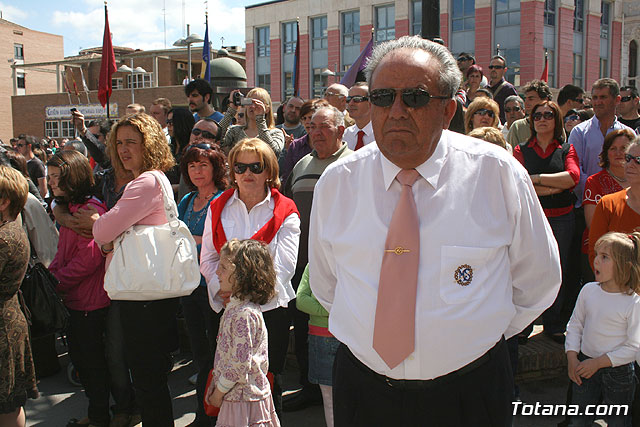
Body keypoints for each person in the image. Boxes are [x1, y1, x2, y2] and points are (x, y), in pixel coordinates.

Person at [309, 35, 561, 426]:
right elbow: (328, 286)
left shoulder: (497, 174)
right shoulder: (337, 183)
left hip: (469, 392)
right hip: (363, 390)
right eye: (381, 97)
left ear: (447, 111)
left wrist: (470, 340)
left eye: (413, 97)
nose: (395, 111)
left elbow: (538, 281)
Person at [200, 138, 300, 415]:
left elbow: (285, 266)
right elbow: (208, 258)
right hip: (226, 308)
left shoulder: (286, 210)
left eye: (255, 167)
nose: (247, 174)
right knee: (224, 377)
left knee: (267, 381)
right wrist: (217, 288)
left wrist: (243, 295)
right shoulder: (218, 205)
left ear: (269, 171)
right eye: (240, 167)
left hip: (269, 310)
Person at [92, 113, 178, 426]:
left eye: (132, 142)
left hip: (143, 295)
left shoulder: (145, 182)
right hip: (149, 291)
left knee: (148, 381)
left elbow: (102, 230)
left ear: (150, 144)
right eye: (119, 142)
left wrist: (101, 232)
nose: (124, 149)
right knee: (151, 380)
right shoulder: (155, 179)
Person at [282, 106, 353, 412]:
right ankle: (311, 389)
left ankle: (348, 389)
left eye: (324, 127)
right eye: (312, 127)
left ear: (340, 129)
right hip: (302, 265)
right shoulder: (300, 165)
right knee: (304, 330)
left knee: (345, 329)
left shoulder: (354, 165)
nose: (316, 133)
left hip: (342, 265)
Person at [46, 151, 111, 427]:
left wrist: (57, 281)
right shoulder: (69, 208)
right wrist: (52, 277)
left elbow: (89, 259)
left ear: (73, 177)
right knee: (84, 364)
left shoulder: (89, 210)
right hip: (73, 299)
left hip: (89, 303)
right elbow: (63, 253)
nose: (50, 183)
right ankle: (96, 413)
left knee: (93, 365)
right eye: (49, 178)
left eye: (56, 177)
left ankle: (99, 417)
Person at [513, 100, 580, 342]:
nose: (542, 119)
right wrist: (554, 185)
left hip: (562, 219)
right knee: (530, 270)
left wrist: (537, 178)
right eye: (537, 115)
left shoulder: (566, 149)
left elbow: (573, 177)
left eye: (548, 115)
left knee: (557, 270)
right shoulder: (521, 149)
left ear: (556, 120)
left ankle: (553, 324)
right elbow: (519, 181)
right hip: (532, 218)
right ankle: (525, 325)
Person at [565, 232, 640, 427]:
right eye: (597, 254)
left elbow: (633, 347)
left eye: (604, 257)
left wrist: (598, 363)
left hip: (618, 372)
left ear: (624, 265)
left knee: (618, 421)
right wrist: (572, 357)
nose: (596, 260)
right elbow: (575, 325)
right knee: (578, 420)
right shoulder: (588, 290)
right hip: (584, 365)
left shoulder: (633, 302)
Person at [205, 239, 280, 427]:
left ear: (241, 275)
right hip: (240, 397)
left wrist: (218, 392)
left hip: (242, 401)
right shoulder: (237, 308)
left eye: (223, 267)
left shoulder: (243, 315)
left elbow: (239, 363)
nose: (217, 272)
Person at [177, 144, 227, 426]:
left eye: (204, 165)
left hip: (214, 287)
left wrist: (192, 240)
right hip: (189, 286)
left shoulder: (223, 199)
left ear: (215, 168)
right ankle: (202, 412)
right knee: (200, 355)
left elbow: (220, 243)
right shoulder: (186, 201)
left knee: (216, 355)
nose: (197, 170)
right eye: (193, 165)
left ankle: (213, 415)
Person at [0, 166, 39, 427]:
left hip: (3, 328)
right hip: (9, 320)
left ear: (3, 202)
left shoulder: (5, 237)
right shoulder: (11, 228)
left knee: (7, 403)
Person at [581, 128, 636, 280]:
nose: (619, 153)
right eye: (613, 149)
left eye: (624, 149)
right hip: (604, 253)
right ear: (606, 152)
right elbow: (593, 224)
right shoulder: (594, 182)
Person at [296, 265, 338, 427]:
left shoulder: (351, 260)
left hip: (349, 340)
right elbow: (301, 300)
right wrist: (332, 310)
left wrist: (321, 308)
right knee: (329, 400)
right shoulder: (313, 265)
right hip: (321, 340)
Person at [589, 136, 640, 266]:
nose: (630, 165)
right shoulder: (608, 204)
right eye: (628, 159)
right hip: (617, 284)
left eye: (638, 160)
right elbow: (595, 254)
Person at [219, 89, 284, 156]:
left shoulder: (275, 133)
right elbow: (216, 138)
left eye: (257, 103)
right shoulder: (235, 131)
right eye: (249, 102)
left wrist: (260, 119)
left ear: (267, 109)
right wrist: (231, 109)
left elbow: (273, 151)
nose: (252, 106)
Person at [279, 99, 330, 182]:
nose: (307, 122)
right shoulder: (295, 146)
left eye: (310, 117)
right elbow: (287, 177)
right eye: (304, 118)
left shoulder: (330, 144)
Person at [506, 79, 553, 148]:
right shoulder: (517, 127)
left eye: (531, 99)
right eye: (526, 99)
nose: (526, 103)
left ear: (544, 100)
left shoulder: (555, 124)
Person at [342, 82, 375, 151]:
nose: (350, 103)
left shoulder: (381, 134)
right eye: (348, 99)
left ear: (371, 102)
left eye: (357, 99)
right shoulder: (346, 135)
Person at [487, 55, 518, 123]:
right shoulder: (485, 89)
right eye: (491, 67)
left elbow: (516, 111)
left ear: (505, 70)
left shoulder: (509, 89)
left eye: (497, 67)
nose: (493, 69)